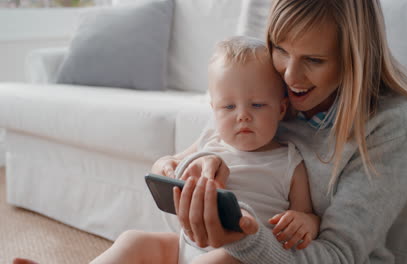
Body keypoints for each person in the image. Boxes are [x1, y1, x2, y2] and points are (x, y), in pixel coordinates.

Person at [152, 0, 407, 263]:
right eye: (282, 50)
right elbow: (174, 162)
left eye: (314, 60)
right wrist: (196, 163)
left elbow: (339, 255)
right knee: (135, 243)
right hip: (216, 248)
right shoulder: (262, 80)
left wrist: (245, 241)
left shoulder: (394, 121)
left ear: (354, 58)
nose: (290, 77)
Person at [90, 36, 320, 264]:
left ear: (281, 109)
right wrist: (163, 165)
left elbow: (308, 214)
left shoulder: (289, 161)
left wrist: (306, 222)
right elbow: (170, 166)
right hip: (186, 247)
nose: (242, 115)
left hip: (241, 255)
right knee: (133, 240)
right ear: (214, 109)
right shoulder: (210, 140)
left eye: (257, 105)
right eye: (229, 106)